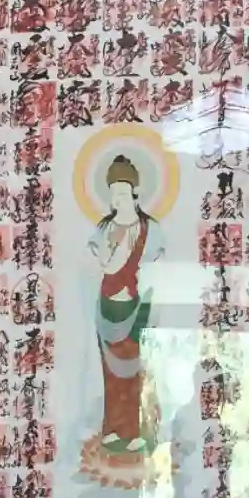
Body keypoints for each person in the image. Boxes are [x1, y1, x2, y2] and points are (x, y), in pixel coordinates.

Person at [88, 154, 164, 455]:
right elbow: (105, 264)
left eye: (122, 192)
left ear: (134, 192)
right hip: (108, 305)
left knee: (133, 370)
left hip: (135, 304)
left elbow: (153, 269)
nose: (117, 198)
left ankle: (133, 430)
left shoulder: (149, 229)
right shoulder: (104, 229)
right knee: (110, 371)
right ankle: (112, 429)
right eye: (113, 193)